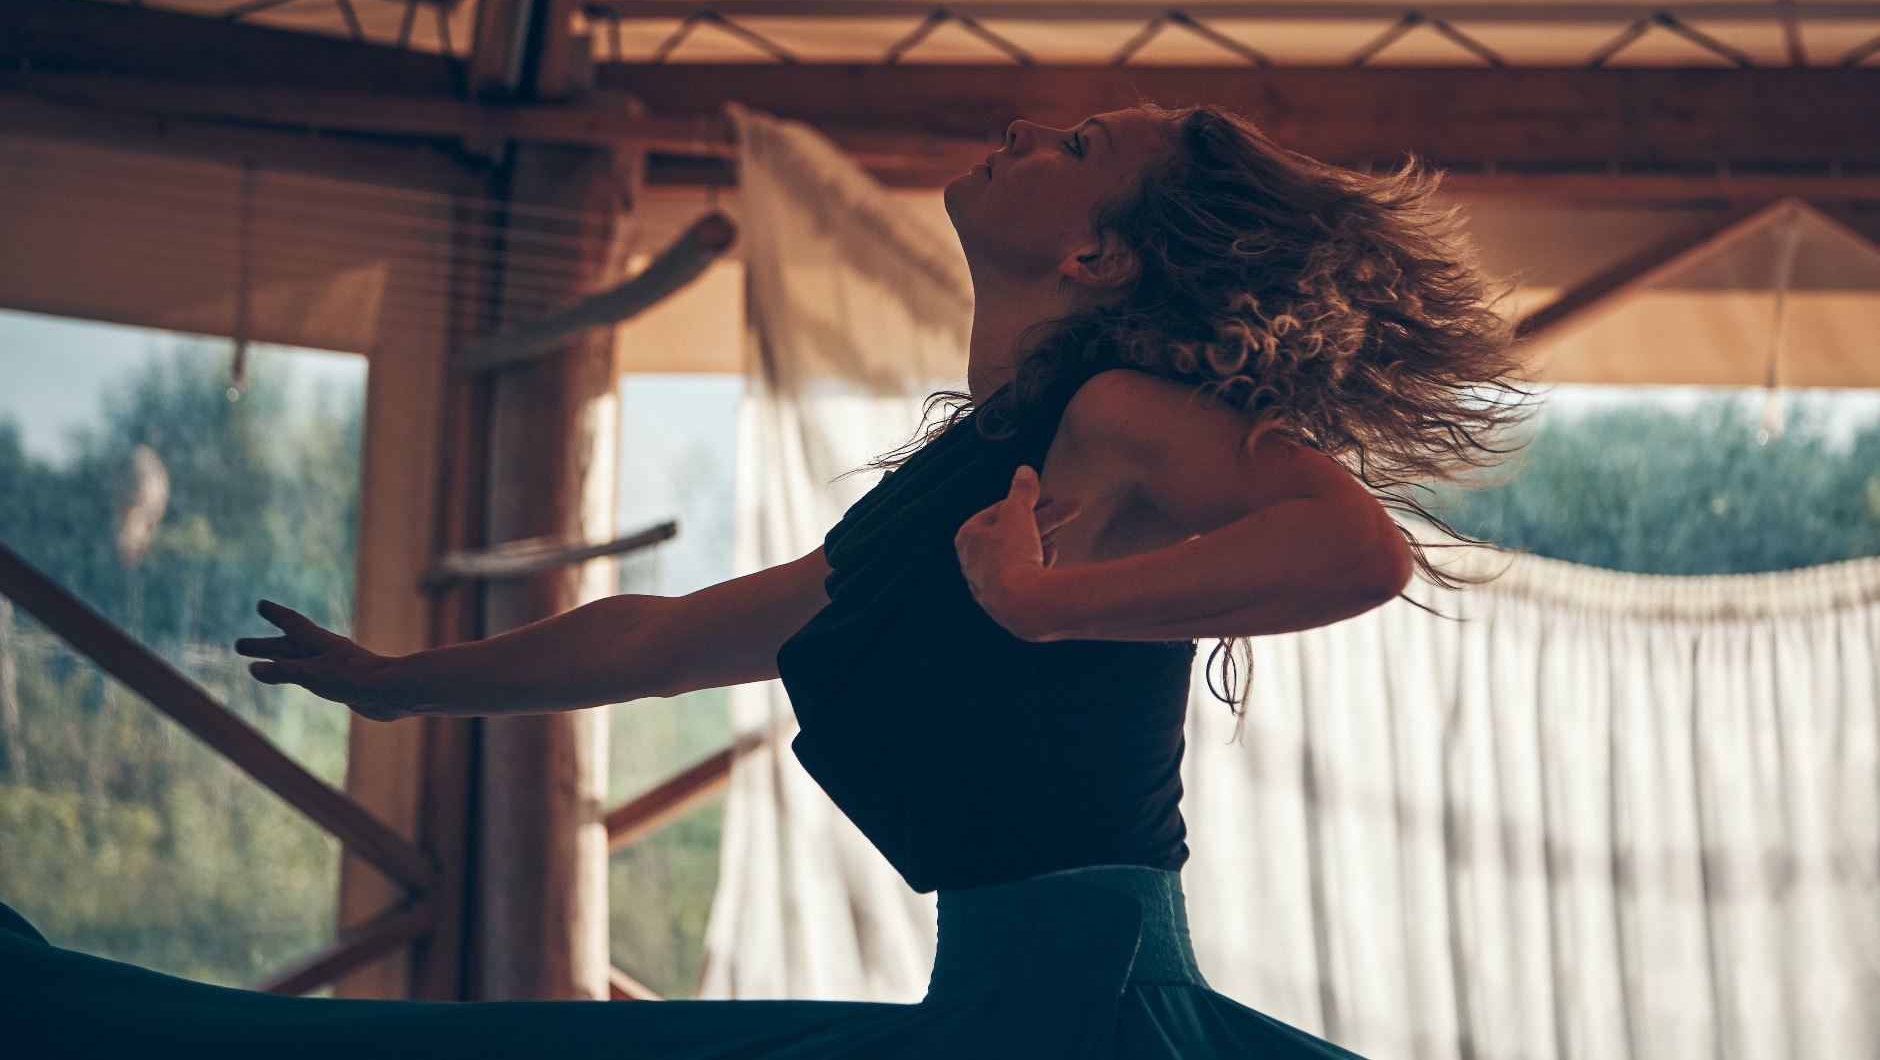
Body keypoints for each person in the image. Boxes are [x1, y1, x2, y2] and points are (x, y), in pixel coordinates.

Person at [1, 104, 1521, 1058]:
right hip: (997, 1004)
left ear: (1098, 260)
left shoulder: (1117, 416)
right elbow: (662, 638)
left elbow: (1358, 548)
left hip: (1094, 1010)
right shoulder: (971, 480)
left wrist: (1046, 603)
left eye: (1077, 151)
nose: (1029, 129)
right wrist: (403, 687)